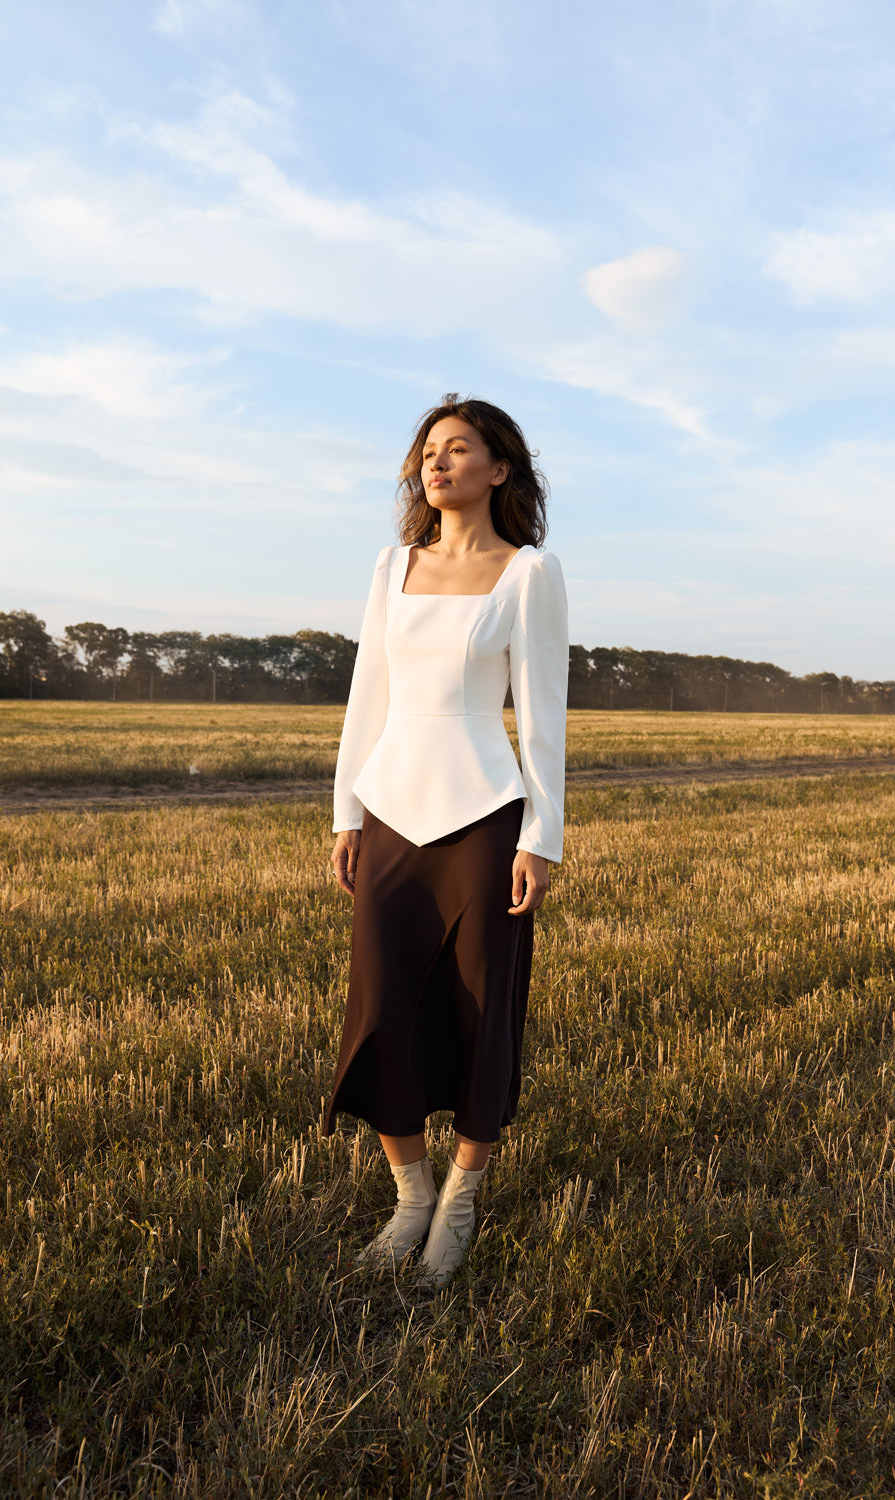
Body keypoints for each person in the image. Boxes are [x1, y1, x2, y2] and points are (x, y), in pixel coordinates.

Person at [324, 393, 568, 1287]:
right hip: (390, 811)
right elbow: (367, 701)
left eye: (459, 450)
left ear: (498, 469)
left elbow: (544, 719)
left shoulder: (528, 574)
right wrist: (347, 814)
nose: (438, 463)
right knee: (382, 1007)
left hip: (484, 819)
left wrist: (542, 836)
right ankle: (410, 1196)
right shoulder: (392, 567)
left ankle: (460, 1204)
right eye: (429, 451)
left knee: (479, 1010)